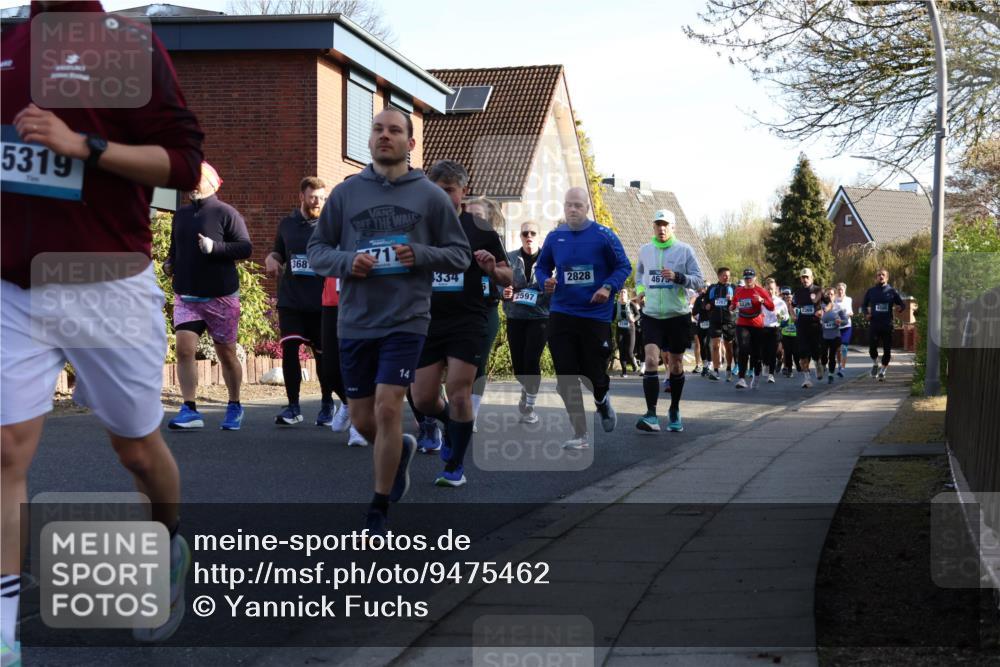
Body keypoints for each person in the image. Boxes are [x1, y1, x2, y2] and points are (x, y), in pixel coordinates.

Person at [1, 2, 204, 655]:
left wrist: (82, 145)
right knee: (6, 449)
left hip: (107, 284)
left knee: (138, 451)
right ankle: (4, 634)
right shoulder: (9, 41)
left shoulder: (125, 44)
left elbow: (183, 164)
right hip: (13, 289)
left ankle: (167, 545)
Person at [307, 108, 471, 533]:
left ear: (411, 143)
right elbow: (318, 250)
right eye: (378, 129)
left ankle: (378, 507)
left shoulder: (431, 197)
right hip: (356, 321)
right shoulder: (346, 194)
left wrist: (421, 255)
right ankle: (399, 452)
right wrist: (347, 262)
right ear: (370, 139)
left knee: (387, 406)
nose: (385, 136)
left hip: (407, 318)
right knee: (363, 419)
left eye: (395, 130)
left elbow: (459, 254)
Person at [409, 161, 511, 487]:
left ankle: (454, 466)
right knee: (423, 398)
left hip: (468, 319)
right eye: (436, 191)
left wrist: (493, 269)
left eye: (449, 191)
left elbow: (509, 276)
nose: (442, 196)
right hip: (427, 320)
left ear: (463, 193)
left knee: (459, 393)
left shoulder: (480, 230)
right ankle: (451, 427)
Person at [535, 187, 631, 448]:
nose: (573, 209)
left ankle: (602, 400)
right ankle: (580, 434)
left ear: (587, 208)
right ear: (564, 207)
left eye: (578, 205)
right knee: (565, 378)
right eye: (569, 205)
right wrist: (546, 281)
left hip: (595, 315)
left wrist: (608, 287)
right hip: (562, 312)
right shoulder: (555, 237)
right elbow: (542, 267)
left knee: (593, 374)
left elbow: (624, 266)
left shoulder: (604, 236)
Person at [165, 162, 251, 430]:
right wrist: (170, 264)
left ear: (212, 183)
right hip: (187, 295)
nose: (192, 183)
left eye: (197, 178)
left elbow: (245, 247)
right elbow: (174, 249)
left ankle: (234, 404)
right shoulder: (181, 215)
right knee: (184, 349)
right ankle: (189, 408)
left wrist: (215, 247)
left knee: (225, 354)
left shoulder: (226, 213)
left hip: (220, 296)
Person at [265, 177, 338, 425]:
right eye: (313, 197)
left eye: (322, 197)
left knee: (323, 357)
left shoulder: (330, 227)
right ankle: (293, 407)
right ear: (302, 197)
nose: (318, 202)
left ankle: (327, 403)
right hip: (291, 300)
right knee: (290, 350)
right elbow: (278, 251)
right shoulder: (287, 224)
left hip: (321, 302)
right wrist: (272, 259)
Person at [633, 210, 704, 432]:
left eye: (665, 225)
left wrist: (678, 277)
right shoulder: (645, 250)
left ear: (673, 227)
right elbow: (640, 276)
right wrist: (642, 291)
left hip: (677, 316)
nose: (661, 228)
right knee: (652, 361)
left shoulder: (684, 250)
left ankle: (674, 408)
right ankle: (651, 414)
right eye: (658, 225)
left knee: (675, 365)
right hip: (652, 314)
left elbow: (699, 281)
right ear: (653, 227)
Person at [502, 221, 551, 425]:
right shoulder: (510, 258)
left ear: (539, 236)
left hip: (540, 317)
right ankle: (526, 389)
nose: (529, 236)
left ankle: (529, 405)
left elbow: (553, 289)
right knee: (519, 368)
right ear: (520, 236)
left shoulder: (549, 261)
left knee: (531, 360)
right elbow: (498, 283)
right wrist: (504, 293)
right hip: (516, 316)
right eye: (525, 233)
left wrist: (542, 294)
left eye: (533, 233)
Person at [464, 196, 507, 432]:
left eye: (477, 216)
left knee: (476, 360)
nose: (471, 219)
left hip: (485, 308)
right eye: (467, 213)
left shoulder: (491, 241)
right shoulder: (448, 236)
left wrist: (492, 271)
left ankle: (473, 412)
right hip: (454, 310)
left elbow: (509, 275)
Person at [320, 276, 367, 446]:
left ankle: (358, 424)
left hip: (364, 298)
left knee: (359, 363)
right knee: (330, 370)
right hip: (332, 299)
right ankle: (348, 403)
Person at [730, 269, 773, 389]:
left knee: (756, 353)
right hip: (742, 322)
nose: (748, 280)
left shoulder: (761, 291)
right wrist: (732, 306)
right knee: (743, 349)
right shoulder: (739, 291)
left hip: (756, 324)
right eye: (746, 278)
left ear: (755, 278)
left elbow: (771, 306)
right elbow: (733, 304)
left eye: (750, 278)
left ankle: (756, 375)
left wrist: (762, 300)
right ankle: (742, 379)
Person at [862, 268, 905, 382]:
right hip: (874, 324)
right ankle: (875, 364)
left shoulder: (892, 291)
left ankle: (883, 371)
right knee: (872, 348)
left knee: (887, 350)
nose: (881, 276)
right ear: (876, 277)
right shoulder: (871, 291)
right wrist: (866, 314)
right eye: (878, 275)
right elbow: (863, 305)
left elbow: (902, 304)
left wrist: (900, 308)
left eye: (883, 275)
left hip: (887, 324)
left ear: (887, 277)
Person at [792, 267, 825, 388]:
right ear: (801, 279)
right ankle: (807, 378)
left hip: (815, 325)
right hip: (802, 326)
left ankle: (818, 363)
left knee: (816, 352)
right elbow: (792, 305)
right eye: (803, 277)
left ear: (812, 278)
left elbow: (829, 303)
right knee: (803, 353)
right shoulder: (798, 292)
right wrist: (793, 314)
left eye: (807, 277)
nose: (805, 279)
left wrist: (823, 310)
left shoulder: (818, 290)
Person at [705, 267, 737, 381]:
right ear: (718, 276)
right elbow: (706, 302)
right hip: (715, 320)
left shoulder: (733, 287)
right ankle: (716, 370)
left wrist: (732, 299)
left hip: (728, 320)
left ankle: (728, 368)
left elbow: (738, 303)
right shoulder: (712, 288)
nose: (727, 277)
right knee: (715, 346)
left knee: (728, 347)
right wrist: (708, 306)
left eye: (728, 275)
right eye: (724, 275)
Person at [761, 276, 788, 384]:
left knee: (772, 351)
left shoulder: (780, 303)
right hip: (763, 328)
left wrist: (780, 317)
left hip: (775, 328)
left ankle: (771, 375)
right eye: (768, 289)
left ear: (776, 289)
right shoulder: (761, 301)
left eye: (772, 289)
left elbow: (785, 318)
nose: (770, 291)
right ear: (764, 289)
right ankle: (765, 363)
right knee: (764, 351)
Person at [820, 287, 850, 384]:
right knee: (824, 355)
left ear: (835, 296)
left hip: (835, 336)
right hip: (824, 336)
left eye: (831, 294)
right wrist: (819, 320)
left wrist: (840, 321)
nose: (829, 296)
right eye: (828, 294)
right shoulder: (821, 307)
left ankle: (830, 375)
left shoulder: (838, 308)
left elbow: (845, 321)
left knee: (832, 356)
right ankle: (823, 365)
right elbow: (816, 318)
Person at [613, 288, 641, 377]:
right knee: (621, 351)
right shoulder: (616, 305)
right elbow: (612, 317)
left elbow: (638, 314)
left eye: (624, 292)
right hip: (620, 329)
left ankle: (634, 364)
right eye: (621, 292)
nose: (622, 294)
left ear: (626, 295)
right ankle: (624, 372)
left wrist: (634, 319)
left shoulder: (631, 304)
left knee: (629, 351)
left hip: (630, 329)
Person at [833, 282, 853, 378]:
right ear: (836, 290)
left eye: (842, 289)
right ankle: (839, 365)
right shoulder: (833, 300)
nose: (840, 291)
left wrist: (846, 315)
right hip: (836, 327)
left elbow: (851, 312)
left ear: (845, 290)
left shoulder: (849, 299)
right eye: (838, 289)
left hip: (846, 326)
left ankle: (843, 368)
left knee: (844, 348)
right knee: (838, 349)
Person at [692, 286, 712, 377]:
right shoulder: (699, 299)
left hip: (711, 324)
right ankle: (704, 365)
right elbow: (694, 312)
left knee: (708, 344)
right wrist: (700, 318)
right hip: (701, 324)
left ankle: (710, 364)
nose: (702, 291)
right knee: (702, 344)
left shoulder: (712, 298)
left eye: (704, 289)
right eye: (700, 290)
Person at [779, 287, 798, 377]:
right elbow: (779, 321)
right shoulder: (782, 309)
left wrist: (790, 308)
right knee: (787, 352)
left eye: (789, 298)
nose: (788, 300)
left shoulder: (796, 309)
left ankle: (797, 364)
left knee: (796, 352)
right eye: (786, 299)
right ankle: (789, 370)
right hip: (785, 334)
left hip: (795, 335)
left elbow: (795, 319)